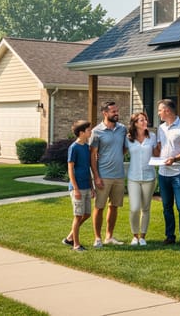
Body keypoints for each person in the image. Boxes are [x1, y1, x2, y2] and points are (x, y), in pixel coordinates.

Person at [156, 98, 180, 250]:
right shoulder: (161, 128)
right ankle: (170, 236)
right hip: (163, 173)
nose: (158, 113)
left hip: (178, 173)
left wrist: (175, 159)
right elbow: (159, 148)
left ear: (167, 111)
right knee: (166, 207)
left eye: (160, 110)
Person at [89, 101, 128, 248]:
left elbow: (124, 148)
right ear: (105, 113)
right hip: (103, 176)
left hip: (119, 175)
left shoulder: (122, 129)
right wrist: (96, 176)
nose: (117, 113)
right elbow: (92, 155)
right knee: (99, 207)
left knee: (114, 206)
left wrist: (116, 155)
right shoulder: (96, 131)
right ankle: (97, 238)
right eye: (113, 111)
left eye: (117, 111)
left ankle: (109, 237)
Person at [126, 112, 156, 246]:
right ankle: (135, 236)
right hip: (133, 178)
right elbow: (119, 152)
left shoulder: (152, 137)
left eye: (145, 119)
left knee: (146, 208)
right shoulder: (128, 138)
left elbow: (157, 153)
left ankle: (143, 236)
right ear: (135, 123)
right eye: (141, 120)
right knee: (134, 208)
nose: (145, 122)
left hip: (149, 177)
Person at [63, 120, 93, 252]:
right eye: (88, 130)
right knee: (78, 216)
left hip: (86, 186)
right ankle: (76, 244)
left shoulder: (86, 147)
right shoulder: (73, 148)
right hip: (77, 188)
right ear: (81, 133)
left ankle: (69, 238)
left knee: (87, 214)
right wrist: (75, 189)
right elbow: (70, 169)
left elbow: (87, 168)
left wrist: (92, 187)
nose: (90, 132)